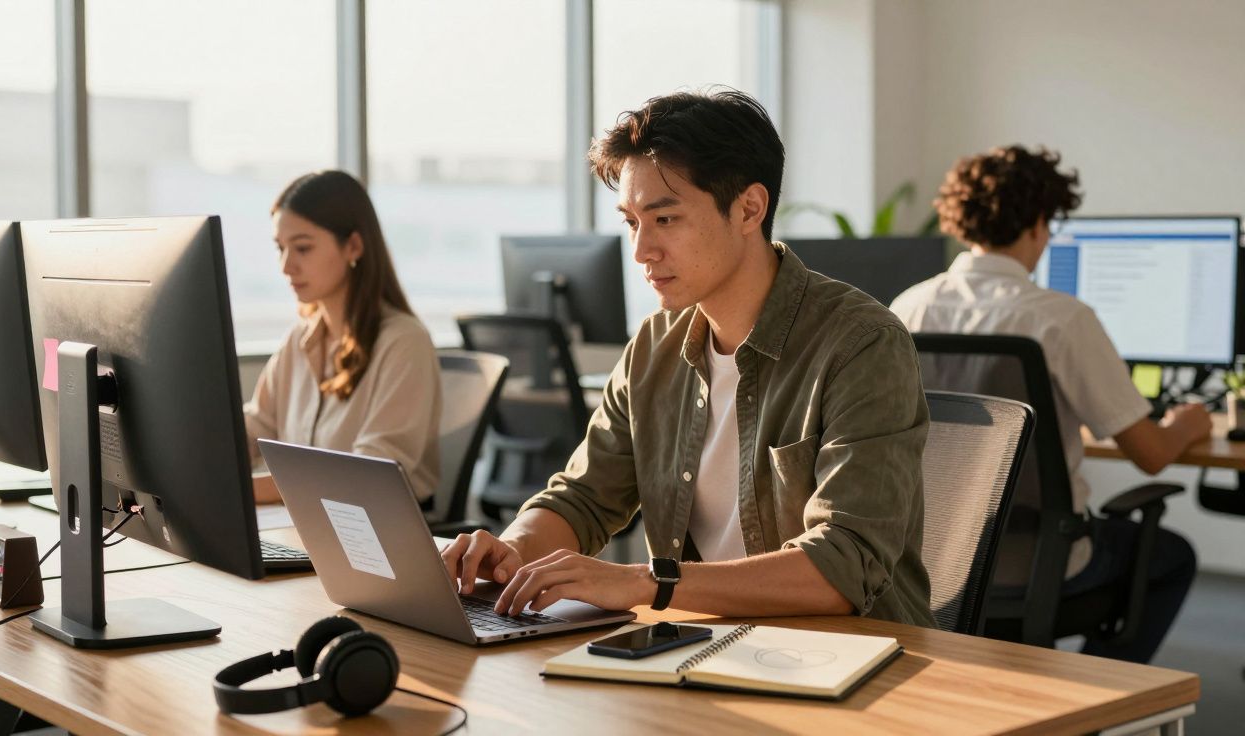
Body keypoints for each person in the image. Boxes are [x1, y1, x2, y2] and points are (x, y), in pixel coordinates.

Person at [443, 89, 935, 626]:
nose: (641, 251)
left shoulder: (861, 344)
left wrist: (643, 582)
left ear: (749, 208)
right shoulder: (654, 347)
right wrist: (512, 549)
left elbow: (846, 564)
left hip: (857, 661)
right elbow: (582, 498)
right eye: (632, 222)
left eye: (666, 219)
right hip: (709, 649)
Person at [890, 144, 1206, 662]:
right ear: (1038, 222)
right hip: (1043, 560)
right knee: (1171, 557)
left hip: (935, 561)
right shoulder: (1060, 318)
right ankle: (1100, 703)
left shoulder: (908, 306)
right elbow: (1150, 453)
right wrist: (1189, 423)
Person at [245, 170, 441, 506]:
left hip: (372, 539)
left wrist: (245, 491)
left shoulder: (404, 344)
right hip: (303, 525)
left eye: (302, 248)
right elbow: (256, 427)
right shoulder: (299, 340)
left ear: (353, 246)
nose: (285, 266)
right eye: (280, 248)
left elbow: (365, 476)